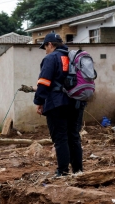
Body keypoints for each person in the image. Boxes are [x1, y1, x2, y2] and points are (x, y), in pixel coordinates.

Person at [31, 33, 83, 177]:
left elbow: (44, 82)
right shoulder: (73, 57)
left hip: (57, 103)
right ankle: (78, 171)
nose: (45, 50)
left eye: (45, 47)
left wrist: (39, 102)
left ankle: (63, 172)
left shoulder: (51, 58)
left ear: (50, 44)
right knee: (74, 136)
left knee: (60, 138)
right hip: (76, 102)